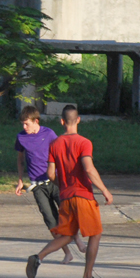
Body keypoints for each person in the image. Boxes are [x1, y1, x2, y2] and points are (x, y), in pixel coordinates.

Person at [25, 105, 113, 278]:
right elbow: (88, 168)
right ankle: (87, 277)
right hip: (83, 196)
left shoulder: (54, 144)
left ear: (62, 122)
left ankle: (38, 257)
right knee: (95, 234)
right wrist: (104, 190)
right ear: (78, 120)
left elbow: (50, 174)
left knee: (67, 234)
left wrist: (63, 185)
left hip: (65, 197)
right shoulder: (84, 142)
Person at [15, 105, 86, 264]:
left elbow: (62, 153)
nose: (24, 127)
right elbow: (20, 160)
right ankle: (67, 252)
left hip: (54, 181)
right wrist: (20, 180)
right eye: (22, 124)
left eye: (27, 123)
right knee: (51, 221)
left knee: (67, 214)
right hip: (37, 186)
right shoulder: (21, 137)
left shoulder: (49, 134)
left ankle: (78, 240)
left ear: (36, 121)